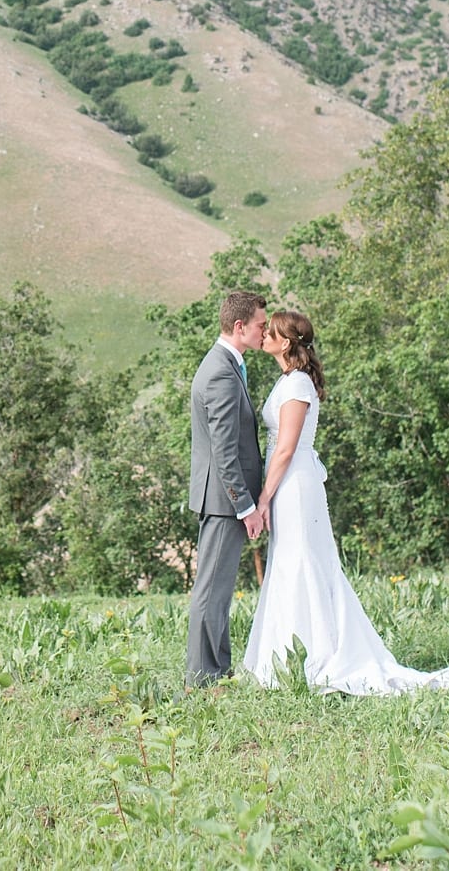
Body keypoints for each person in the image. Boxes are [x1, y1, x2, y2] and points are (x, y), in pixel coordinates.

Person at [241, 309, 449, 696]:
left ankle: (318, 654)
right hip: (287, 483)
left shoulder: (297, 387)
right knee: (289, 561)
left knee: (304, 561)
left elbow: (286, 448)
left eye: (270, 332)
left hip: (294, 485)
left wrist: (264, 496)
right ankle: (286, 653)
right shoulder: (288, 380)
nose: (264, 336)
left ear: (285, 342)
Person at [185, 289, 268, 686]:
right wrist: (245, 505)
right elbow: (224, 449)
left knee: (218, 592)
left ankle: (216, 670)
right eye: (260, 326)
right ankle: (203, 679)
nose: (264, 332)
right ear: (240, 327)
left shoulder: (226, 364)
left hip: (223, 499)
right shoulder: (220, 371)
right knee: (211, 593)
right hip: (223, 500)